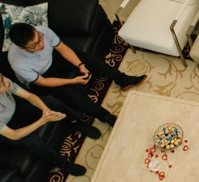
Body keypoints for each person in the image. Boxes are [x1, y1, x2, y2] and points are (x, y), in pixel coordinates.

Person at [0, 70, 98, 176]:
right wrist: (43, 120)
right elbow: (14, 135)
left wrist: (46, 110)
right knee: (32, 140)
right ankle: (62, 163)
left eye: (2, 77)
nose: (6, 82)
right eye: (2, 84)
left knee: (50, 101)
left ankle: (76, 123)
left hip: (13, 111)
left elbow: (28, 95)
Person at [8, 23, 146, 127]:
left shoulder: (42, 31)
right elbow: (43, 82)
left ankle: (122, 79)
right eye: (34, 45)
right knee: (69, 93)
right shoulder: (19, 64)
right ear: (23, 48)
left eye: (40, 38)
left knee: (86, 59)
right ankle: (107, 117)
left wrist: (80, 65)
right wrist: (73, 80)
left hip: (52, 58)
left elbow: (62, 48)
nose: (41, 44)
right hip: (40, 77)